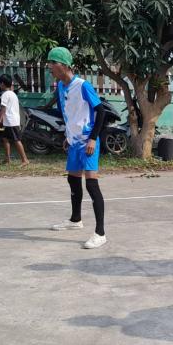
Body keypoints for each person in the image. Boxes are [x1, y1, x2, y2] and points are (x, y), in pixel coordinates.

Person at [47, 47, 109, 249]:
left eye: (52, 63)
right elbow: (69, 114)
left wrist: (93, 139)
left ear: (64, 65)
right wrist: (68, 135)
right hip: (73, 141)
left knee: (91, 184)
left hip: (88, 142)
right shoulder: (60, 86)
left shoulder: (82, 86)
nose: (49, 67)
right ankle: (75, 220)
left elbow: (101, 112)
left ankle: (100, 233)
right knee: (72, 179)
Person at [0, 74, 30, 166]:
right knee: (5, 139)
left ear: (2, 84)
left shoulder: (5, 95)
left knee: (16, 140)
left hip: (10, 122)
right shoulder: (12, 94)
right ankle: (7, 159)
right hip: (10, 121)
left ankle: (25, 160)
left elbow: (3, 110)